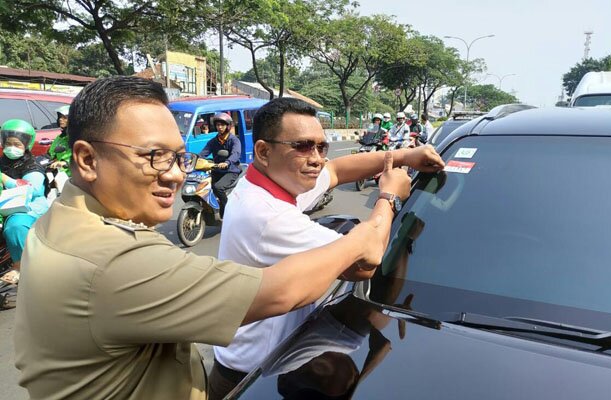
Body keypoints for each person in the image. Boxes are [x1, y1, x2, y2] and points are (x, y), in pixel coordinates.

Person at [14, 76, 405, 400]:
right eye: (154, 156)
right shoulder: (114, 260)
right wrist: (383, 204)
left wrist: (403, 158)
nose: (174, 174)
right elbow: (280, 291)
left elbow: (334, 171)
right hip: (250, 367)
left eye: (178, 157)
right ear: (85, 159)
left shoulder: (57, 221)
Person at [208, 97, 445, 399]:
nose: (317, 158)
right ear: (264, 151)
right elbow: (365, 262)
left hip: (270, 361)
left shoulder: (267, 182)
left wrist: (405, 156)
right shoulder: (268, 216)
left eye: (321, 147)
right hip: (251, 379)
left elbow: (335, 171)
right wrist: (389, 197)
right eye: (304, 146)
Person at [0, 120, 49, 286]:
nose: (11, 147)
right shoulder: (2, 162)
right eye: (8, 143)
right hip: (3, 204)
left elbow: (32, 190)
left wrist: (5, 179)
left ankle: (20, 266)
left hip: (28, 206)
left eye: (17, 144)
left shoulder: (32, 165)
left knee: (15, 226)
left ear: (26, 145)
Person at [198, 112, 241, 219]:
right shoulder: (214, 141)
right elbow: (203, 153)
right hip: (216, 170)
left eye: (222, 125)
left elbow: (236, 153)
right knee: (203, 185)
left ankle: (227, 211)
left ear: (228, 126)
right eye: (218, 125)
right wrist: (192, 160)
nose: (220, 127)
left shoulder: (234, 140)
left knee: (218, 188)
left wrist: (227, 162)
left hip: (231, 170)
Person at [47, 105, 72, 176]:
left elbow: (82, 157)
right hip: (59, 173)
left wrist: (66, 162)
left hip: (72, 176)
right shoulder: (60, 138)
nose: (61, 119)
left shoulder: (78, 138)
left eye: (65, 118)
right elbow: (51, 153)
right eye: (60, 117)